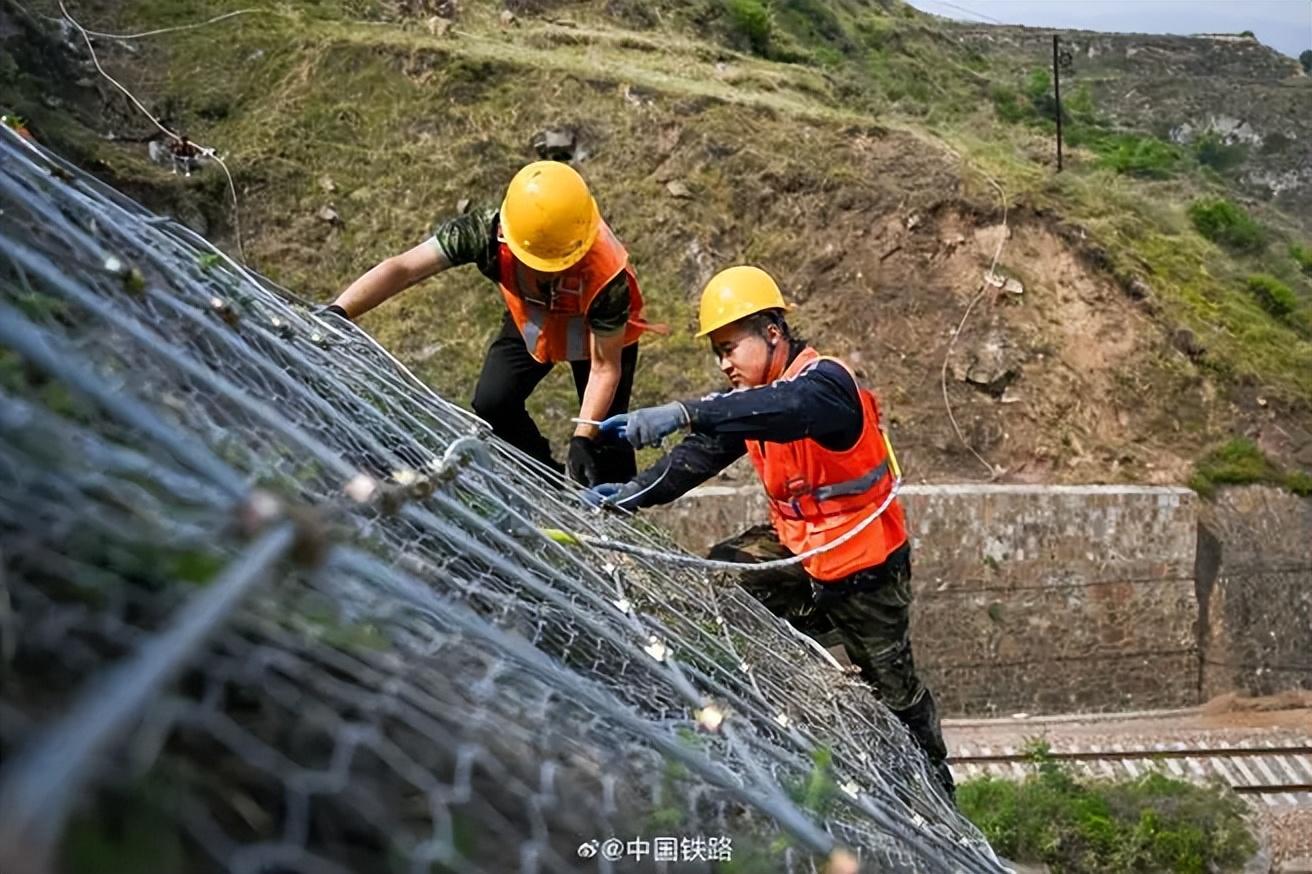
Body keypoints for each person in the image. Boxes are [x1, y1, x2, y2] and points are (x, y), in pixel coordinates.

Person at [586, 265, 954, 799]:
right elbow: (698, 457)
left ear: (773, 333)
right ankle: (759, 709)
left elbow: (788, 409)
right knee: (723, 577)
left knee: (893, 694)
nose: (724, 363)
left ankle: (935, 785)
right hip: (798, 551)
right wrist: (630, 496)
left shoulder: (826, 385)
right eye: (717, 352)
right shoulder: (753, 397)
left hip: (866, 569)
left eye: (731, 347)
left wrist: (688, 410)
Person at [327, 161, 653, 485]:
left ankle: (616, 506)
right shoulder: (484, 233)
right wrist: (339, 311)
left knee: (606, 439)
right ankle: (545, 480)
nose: (549, 272)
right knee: (493, 402)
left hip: (600, 336)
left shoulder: (607, 277)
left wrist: (583, 436)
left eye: (558, 264)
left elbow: (604, 368)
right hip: (534, 321)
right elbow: (405, 268)